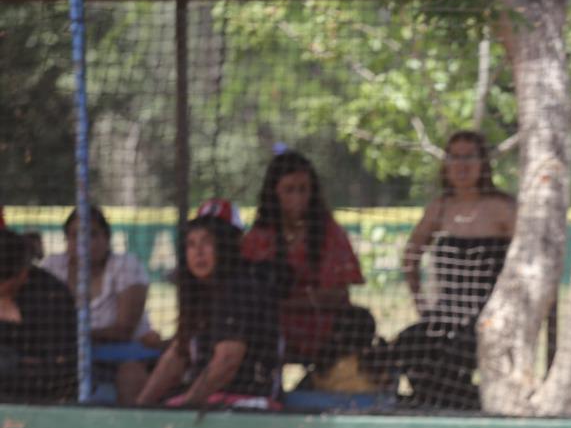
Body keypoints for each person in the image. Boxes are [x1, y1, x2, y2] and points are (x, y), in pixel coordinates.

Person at [390, 130, 517, 409]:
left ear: (483, 163)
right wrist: (421, 304)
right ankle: (446, 405)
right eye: (454, 158)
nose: (461, 166)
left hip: (489, 315)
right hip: (446, 312)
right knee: (408, 345)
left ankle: (462, 405)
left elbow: (526, 263)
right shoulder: (439, 208)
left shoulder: (503, 208)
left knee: (454, 352)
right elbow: (411, 255)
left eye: (469, 157)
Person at [241, 149, 374, 389]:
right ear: (274, 193)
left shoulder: (328, 232)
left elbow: (338, 295)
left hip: (322, 327)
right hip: (273, 326)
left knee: (360, 320)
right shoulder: (258, 237)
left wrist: (288, 301)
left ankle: (316, 382)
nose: (298, 198)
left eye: (304, 189)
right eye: (289, 190)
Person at [136, 211, 279, 411]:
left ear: (223, 247)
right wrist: (139, 408)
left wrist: (187, 407)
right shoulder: (198, 293)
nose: (198, 252)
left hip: (250, 403)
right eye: (191, 245)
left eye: (207, 243)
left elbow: (227, 361)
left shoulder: (241, 287)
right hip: (209, 401)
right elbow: (178, 355)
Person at [41, 205, 162, 405]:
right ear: (66, 240)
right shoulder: (53, 266)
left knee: (131, 374)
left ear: (107, 239)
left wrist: (72, 334)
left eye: (93, 235)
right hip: (70, 356)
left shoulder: (125, 265)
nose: (83, 243)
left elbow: (124, 330)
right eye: (75, 235)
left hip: (125, 354)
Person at [0, 229, 77, 404]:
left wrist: (14, 363)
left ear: (22, 274)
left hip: (38, 395)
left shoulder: (51, 296)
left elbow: (60, 366)